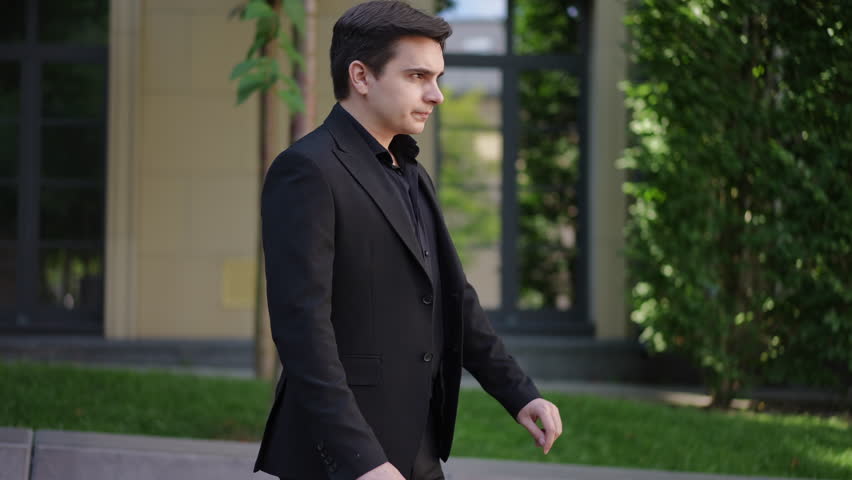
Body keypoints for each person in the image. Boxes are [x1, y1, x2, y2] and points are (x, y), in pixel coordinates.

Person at [253, 2, 562, 479]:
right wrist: (363, 461)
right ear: (361, 76)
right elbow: (303, 334)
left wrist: (519, 392)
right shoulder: (307, 170)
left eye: (438, 77)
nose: (436, 95)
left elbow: (454, 298)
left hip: (418, 445)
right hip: (339, 459)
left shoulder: (412, 173)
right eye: (418, 76)